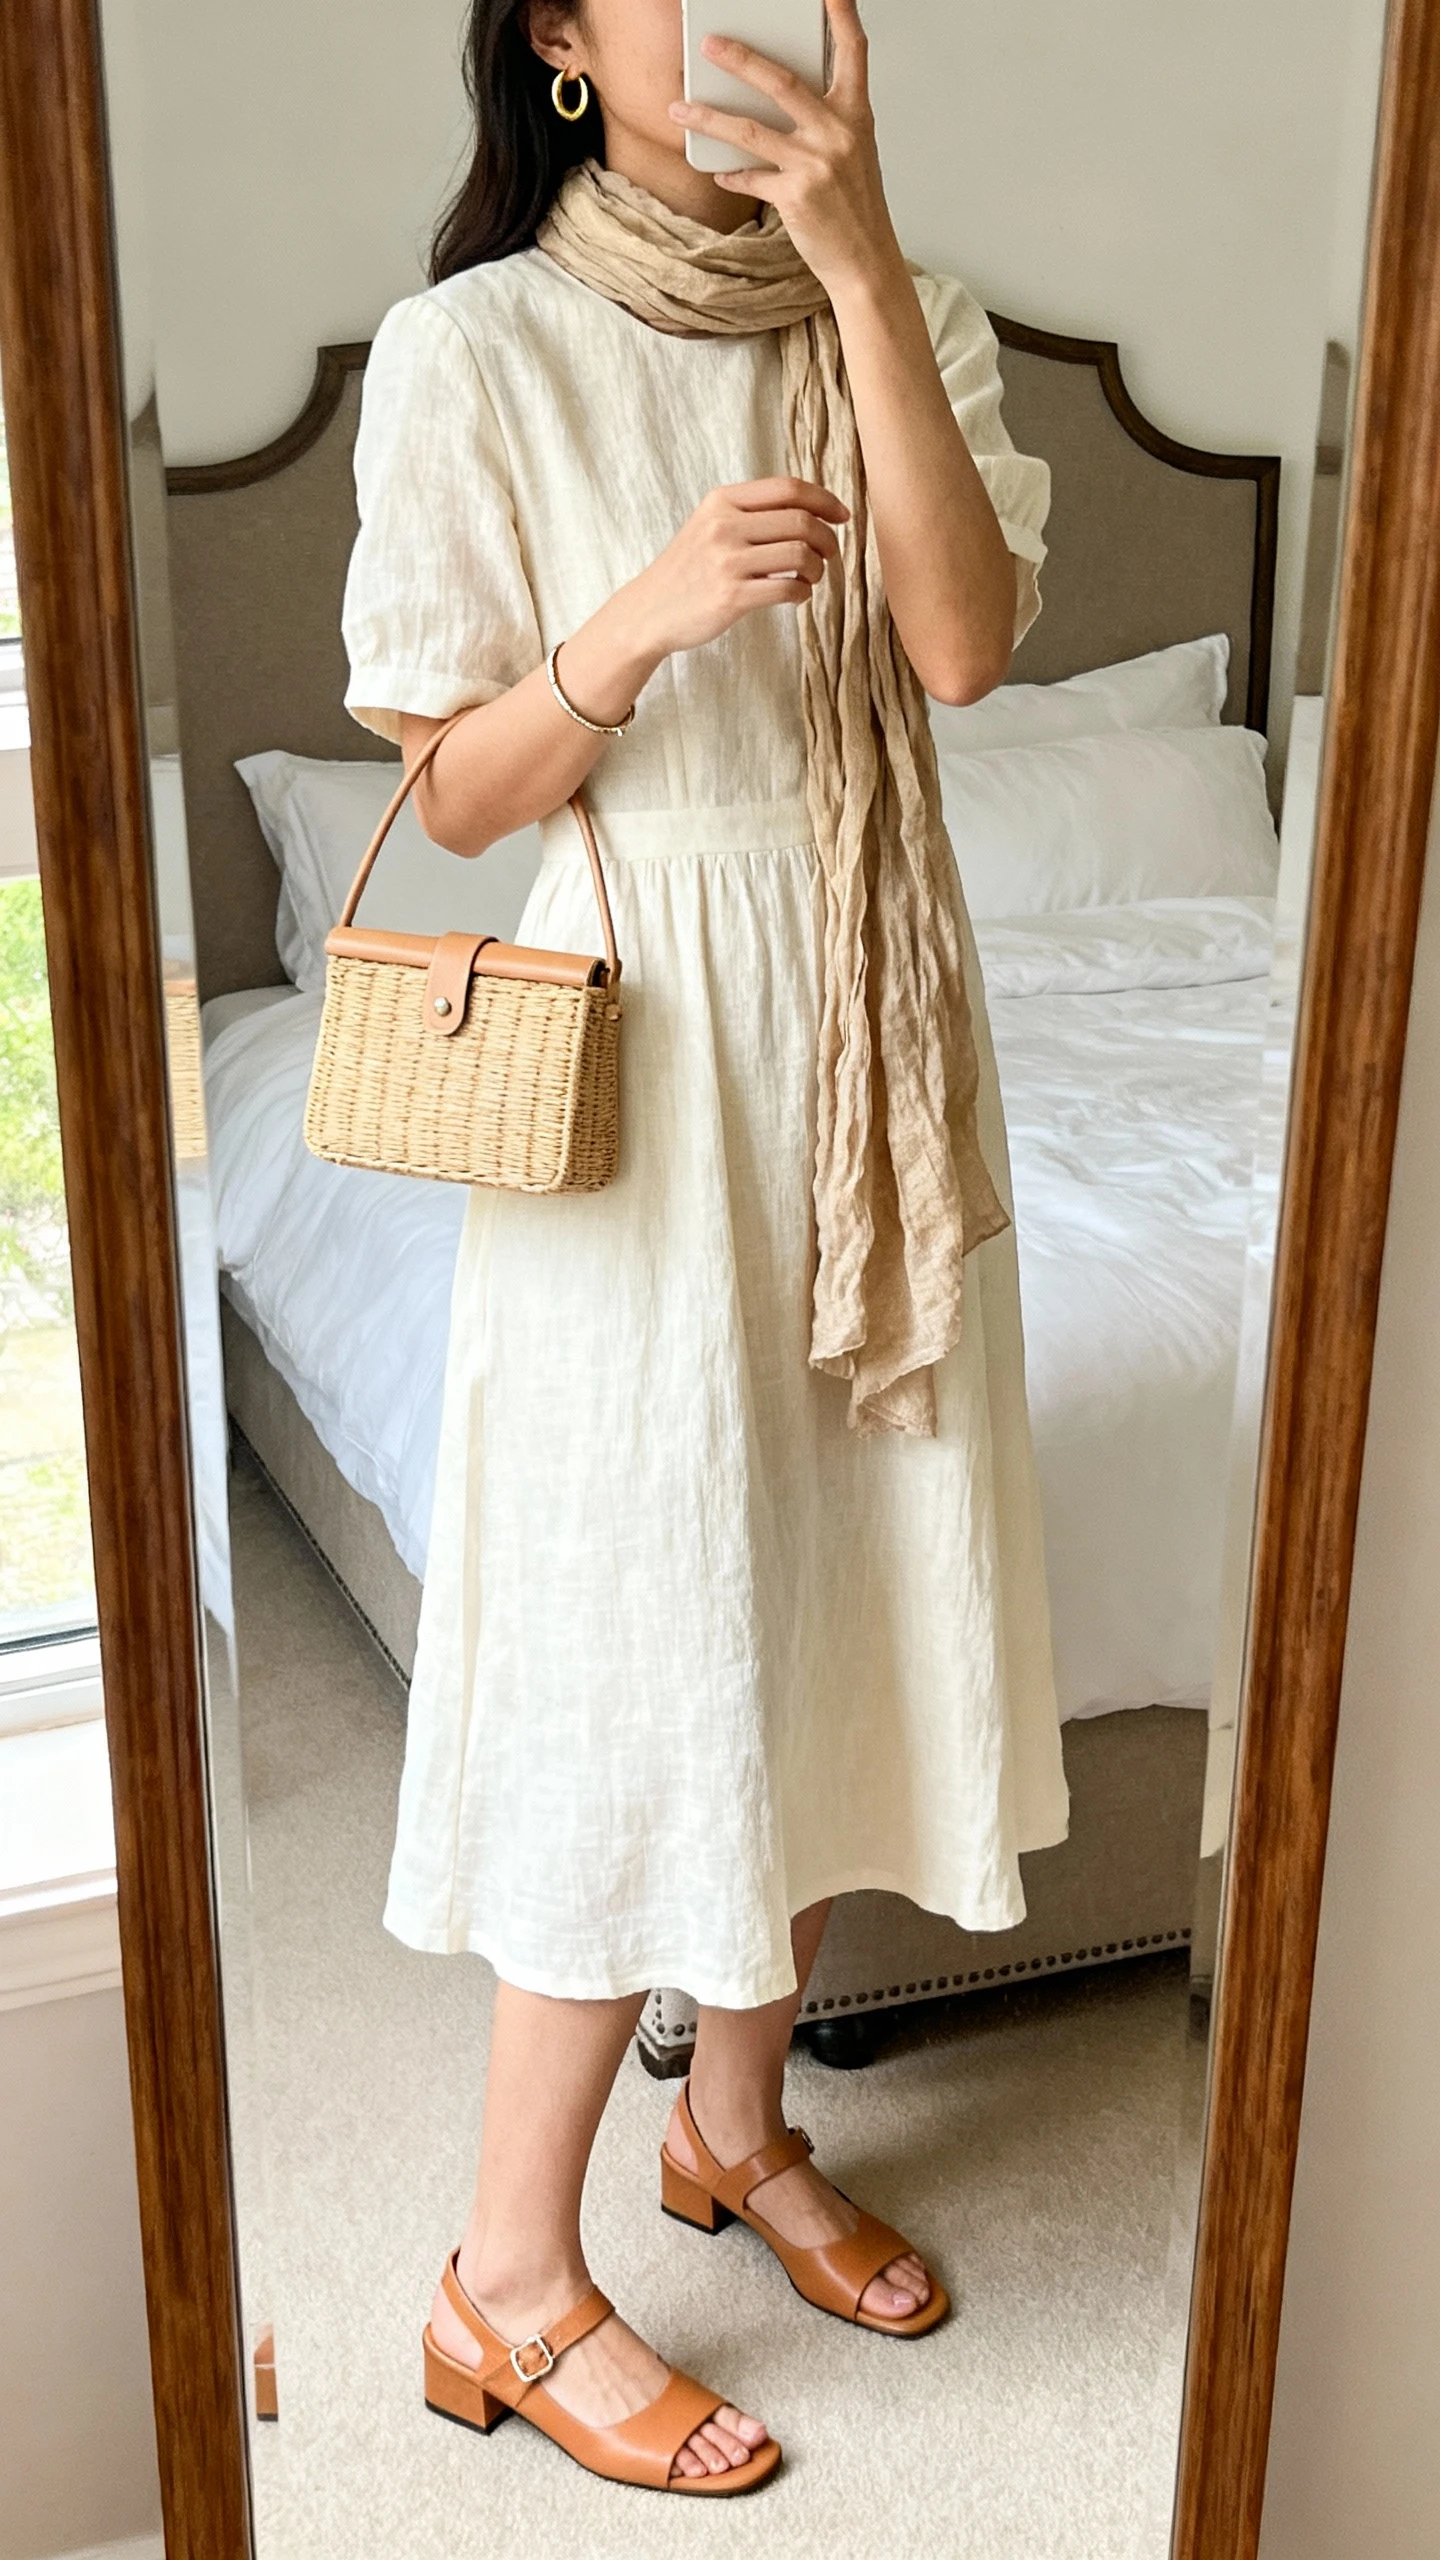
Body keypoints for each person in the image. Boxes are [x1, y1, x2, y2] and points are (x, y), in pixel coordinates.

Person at [341, 0, 1067, 2496]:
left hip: (874, 1025)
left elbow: (961, 652)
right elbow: (449, 794)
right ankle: (501, 2280)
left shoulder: (913, 308)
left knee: (843, 1586)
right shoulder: (476, 348)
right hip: (650, 1055)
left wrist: (858, 269)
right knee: (643, 1628)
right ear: (560, 34)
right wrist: (638, 616)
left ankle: (731, 2128)